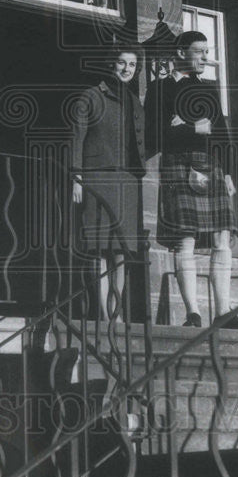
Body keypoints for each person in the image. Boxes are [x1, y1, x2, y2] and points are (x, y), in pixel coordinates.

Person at [146, 30, 238, 329]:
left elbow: (220, 132)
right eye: (200, 51)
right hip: (177, 164)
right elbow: (156, 135)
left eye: (207, 51)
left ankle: (224, 312)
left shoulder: (208, 88)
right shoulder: (159, 89)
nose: (206, 57)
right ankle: (193, 313)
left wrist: (229, 172)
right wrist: (194, 127)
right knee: (185, 240)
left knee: (222, 238)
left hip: (212, 165)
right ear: (181, 53)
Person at [69, 45, 146, 320]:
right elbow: (76, 137)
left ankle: (117, 313)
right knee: (99, 249)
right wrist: (76, 177)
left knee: (122, 252)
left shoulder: (135, 101)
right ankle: (102, 312)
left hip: (127, 182)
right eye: (121, 63)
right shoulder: (91, 96)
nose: (126, 69)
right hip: (98, 179)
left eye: (132, 65)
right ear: (110, 64)